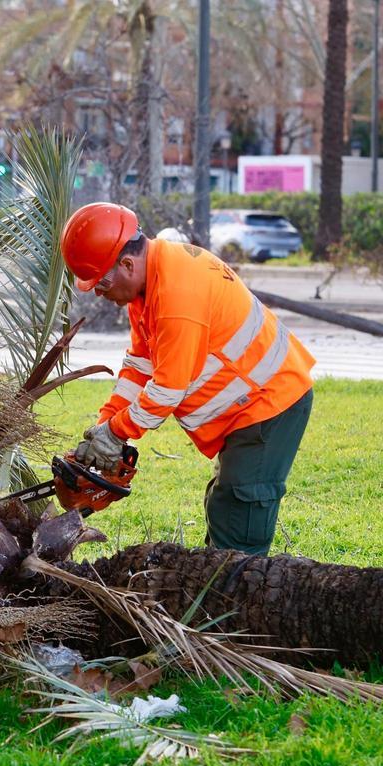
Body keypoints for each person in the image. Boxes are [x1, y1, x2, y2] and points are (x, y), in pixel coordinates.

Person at [60, 202, 316, 556]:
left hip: (270, 402)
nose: (100, 294)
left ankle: (238, 596)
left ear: (128, 264)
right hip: (247, 403)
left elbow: (167, 391)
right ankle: (220, 583)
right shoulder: (149, 283)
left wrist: (117, 434)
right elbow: (140, 365)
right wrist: (104, 425)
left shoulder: (177, 297)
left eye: (101, 284)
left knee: (241, 505)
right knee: (224, 501)